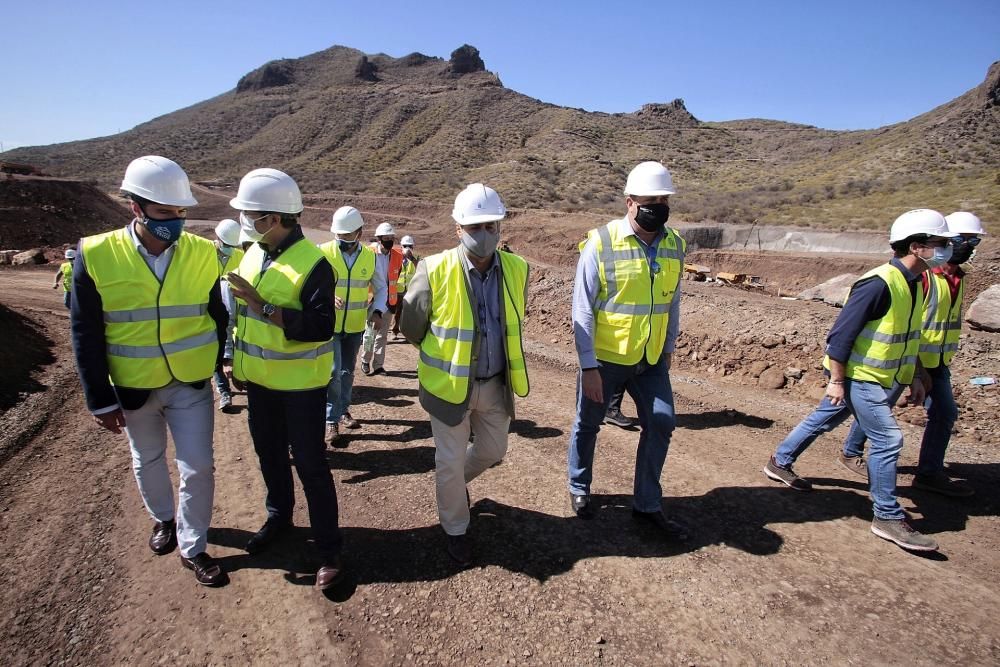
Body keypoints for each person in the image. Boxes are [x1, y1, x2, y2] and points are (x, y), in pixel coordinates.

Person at [70, 155, 228, 585]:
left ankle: (193, 546)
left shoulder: (203, 252)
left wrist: (214, 364)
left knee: (198, 465)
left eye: (180, 213)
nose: (175, 222)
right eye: (164, 213)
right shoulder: (97, 254)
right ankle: (163, 519)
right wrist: (98, 398)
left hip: (189, 383)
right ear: (135, 207)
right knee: (148, 458)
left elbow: (216, 315)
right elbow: (84, 332)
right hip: (133, 385)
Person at [764, 209, 957, 552]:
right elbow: (839, 337)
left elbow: (909, 336)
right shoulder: (878, 283)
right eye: (939, 243)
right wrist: (837, 381)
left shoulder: (916, 284)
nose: (945, 249)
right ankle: (886, 515)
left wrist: (913, 375)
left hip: (881, 376)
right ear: (916, 246)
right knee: (887, 438)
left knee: (827, 418)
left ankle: (780, 461)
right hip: (857, 375)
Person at [225, 168, 344, 590]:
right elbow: (243, 320)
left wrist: (264, 307)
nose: (245, 220)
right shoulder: (255, 252)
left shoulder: (314, 264)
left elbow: (320, 326)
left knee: (310, 465)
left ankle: (329, 549)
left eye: (250, 213)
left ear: (273, 218)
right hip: (260, 384)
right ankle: (280, 519)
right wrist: (238, 366)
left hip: (300, 389)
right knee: (269, 456)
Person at [400, 183, 530, 566]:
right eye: (475, 227)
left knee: (493, 451)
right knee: (449, 462)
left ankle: (453, 489)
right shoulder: (434, 268)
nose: (485, 234)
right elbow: (411, 326)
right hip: (448, 388)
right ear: (458, 229)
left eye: (491, 226)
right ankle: (455, 527)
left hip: (495, 386)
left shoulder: (517, 269)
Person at [566, 161, 688, 541]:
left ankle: (647, 504)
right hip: (605, 358)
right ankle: (579, 487)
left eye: (663, 200)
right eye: (651, 200)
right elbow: (582, 308)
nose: (659, 206)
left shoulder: (675, 244)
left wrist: (667, 348)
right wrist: (588, 366)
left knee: (662, 421)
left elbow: (673, 302)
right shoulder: (601, 243)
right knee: (588, 423)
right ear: (630, 202)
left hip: (650, 359)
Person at [837, 211, 985, 498]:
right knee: (874, 417)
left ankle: (928, 473)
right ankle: (851, 455)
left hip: (934, 361)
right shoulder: (922, 278)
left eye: (973, 240)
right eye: (963, 239)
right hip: (902, 360)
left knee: (943, 413)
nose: (968, 246)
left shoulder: (957, 278)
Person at [318, 206, 387, 445]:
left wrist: (377, 310)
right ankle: (330, 421)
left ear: (359, 232)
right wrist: (326, 296)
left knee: (347, 373)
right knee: (333, 372)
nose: (344, 240)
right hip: (330, 326)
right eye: (340, 235)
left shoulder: (370, 256)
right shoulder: (323, 252)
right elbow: (310, 286)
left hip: (356, 325)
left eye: (348, 235)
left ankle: (343, 409)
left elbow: (381, 288)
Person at [361, 222, 403, 376]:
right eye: (386, 237)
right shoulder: (368, 253)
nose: (390, 240)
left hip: (389, 301)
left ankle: (378, 365)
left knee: (382, 335)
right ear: (379, 239)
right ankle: (365, 360)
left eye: (392, 237)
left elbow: (396, 275)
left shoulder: (397, 256)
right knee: (370, 333)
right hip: (373, 300)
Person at [212, 219, 244, 413]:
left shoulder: (240, 256)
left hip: (233, 308)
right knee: (217, 352)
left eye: (233, 246)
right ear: (217, 239)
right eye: (227, 245)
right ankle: (224, 391)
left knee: (234, 348)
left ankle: (239, 376)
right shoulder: (204, 254)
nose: (230, 249)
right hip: (211, 311)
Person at [392, 235, 418, 339]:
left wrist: (411, 258)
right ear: (401, 246)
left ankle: (407, 333)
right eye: (405, 245)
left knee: (408, 313)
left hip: (410, 291)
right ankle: (395, 331)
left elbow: (420, 268)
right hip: (399, 290)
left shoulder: (415, 259)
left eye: (410, 246)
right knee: (398, 312)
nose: (407, 248)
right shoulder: (397, 259)